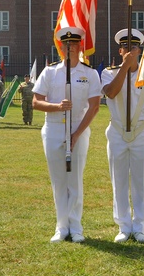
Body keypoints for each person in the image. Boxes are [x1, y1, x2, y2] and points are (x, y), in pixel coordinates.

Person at [32, 27, 101, 244]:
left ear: (80, 47)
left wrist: (77, 134)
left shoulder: (89, 74)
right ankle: (61, 226)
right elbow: (36, 102)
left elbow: (94, 106)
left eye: (74, 44)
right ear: (60, 48)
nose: (70, 48)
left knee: (75, 179)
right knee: (59, 180)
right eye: (66, 45)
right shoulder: (50, 72)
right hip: (53, 128)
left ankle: (76, 226)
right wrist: (56, 107)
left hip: (78, 127)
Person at [102, 28, 144, 244]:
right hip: (118, 132)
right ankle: (123, 226)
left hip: (140, 133)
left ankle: (139, 226)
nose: (130, 50)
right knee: (118, 180)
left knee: (140, 181)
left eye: (134, 47)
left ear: (140, 51)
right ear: (120, 51)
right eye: (126, 47)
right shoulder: (109, 72)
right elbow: (110, 92)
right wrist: (125, 68)